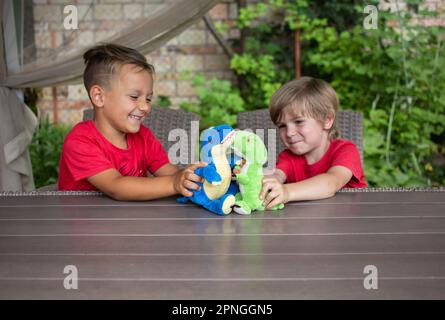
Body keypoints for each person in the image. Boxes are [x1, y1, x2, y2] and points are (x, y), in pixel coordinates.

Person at [58, 43, 205, 200]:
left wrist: (192, 178)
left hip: (131, 221)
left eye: (148, 98)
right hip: (86, 221)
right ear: (99, 97)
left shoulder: (144, 136)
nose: (145, 107)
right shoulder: (80, 141)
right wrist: (174, 183)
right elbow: (116, 186)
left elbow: (171, 173)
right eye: (134, 97)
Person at [259, 76, 367, 209]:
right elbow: (276, 175)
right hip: (306, 225)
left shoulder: (345, 151)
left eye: (298, 122)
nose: (289, 133)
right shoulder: (288, 157)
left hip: (348, 224)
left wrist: (286, 191)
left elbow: (331, 183)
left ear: (327, 120)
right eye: (282, 126)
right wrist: (259, 180)